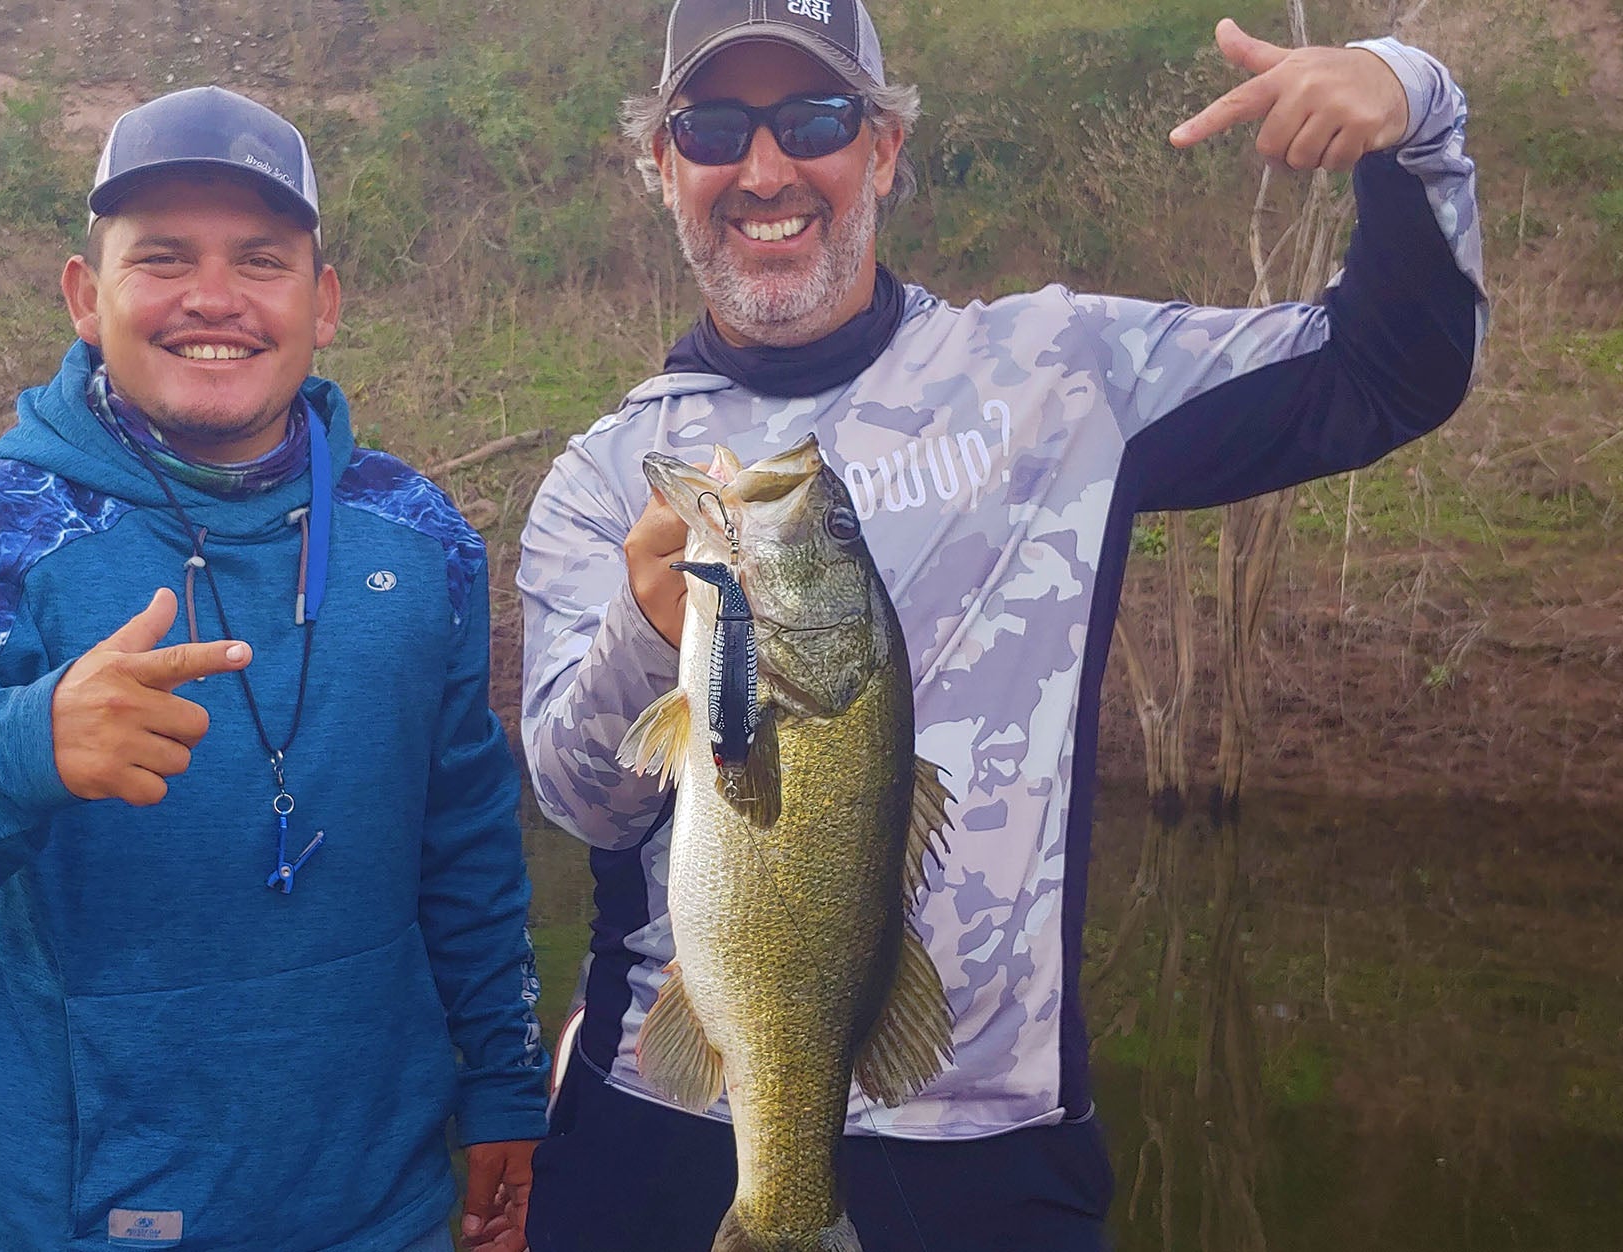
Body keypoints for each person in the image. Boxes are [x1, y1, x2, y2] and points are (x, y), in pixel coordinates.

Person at [518, 0, 1483, 1247]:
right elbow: (578, 798)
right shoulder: (601, 475)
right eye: (711, 126)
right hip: (662, 1124)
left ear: (882, 150)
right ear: (663, 167)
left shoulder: (1058, 375)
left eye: (812, 119)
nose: (762, 170)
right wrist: (650, 637)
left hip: (989, 1151)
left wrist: (1412, 113)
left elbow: (1386, 370)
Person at [0, 86, 547, 1252]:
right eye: (162, 258)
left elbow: (464, 840)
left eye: (260, 260)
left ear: (322, 303)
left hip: (388, 1210)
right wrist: (24, 743)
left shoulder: (422, 536)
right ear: (86, 298)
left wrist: (502, 1083)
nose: (214, 298)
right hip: (81, 1222)